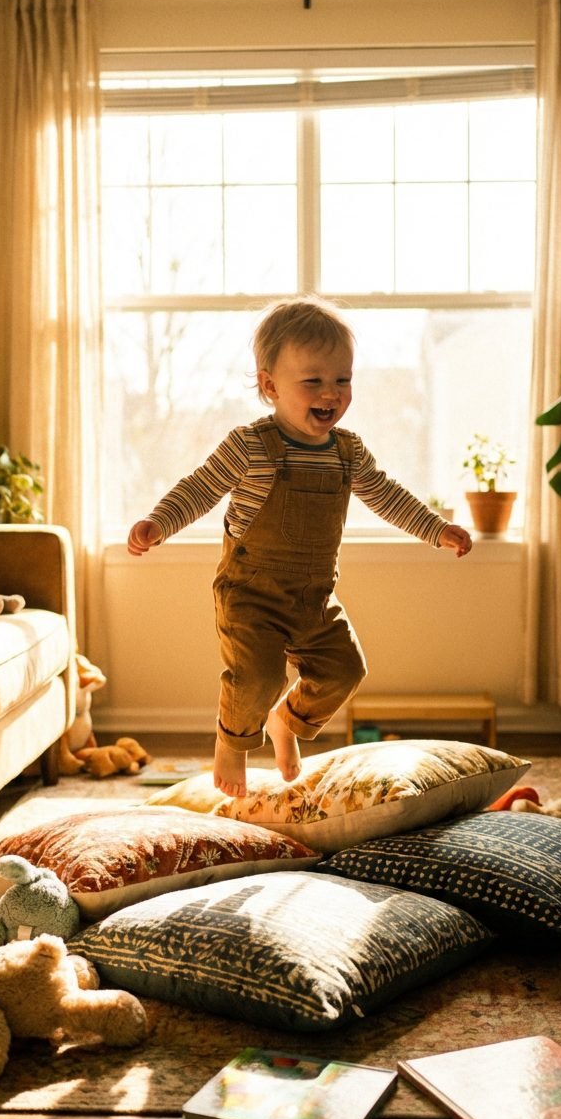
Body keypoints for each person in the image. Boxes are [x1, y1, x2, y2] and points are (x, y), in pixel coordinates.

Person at [128, 297, 472, 797]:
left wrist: (433, 528)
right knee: (256, 678)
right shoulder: (251, 445)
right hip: (251, 594)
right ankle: (232, 741)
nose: (331, 392)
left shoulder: (347, 452)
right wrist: (159, 522)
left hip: (314, 597)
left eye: (343, 380)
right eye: (313, 380)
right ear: (270, 385)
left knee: (346, 669)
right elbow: (200, 487)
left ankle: (286, 722)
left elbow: (385, 494)